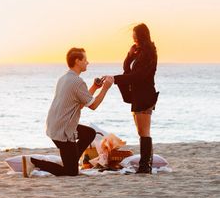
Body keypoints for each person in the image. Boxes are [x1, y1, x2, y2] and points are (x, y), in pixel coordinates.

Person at [23, 47, 113, 177]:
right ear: (77, 61)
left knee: (89, 133)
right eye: (85, 60)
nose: (88, 62)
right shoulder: (77, 82)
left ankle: (72, 159)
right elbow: (93, 106)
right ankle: (33, 162)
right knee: (71, 172)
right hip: (63, 132)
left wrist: (95, 87)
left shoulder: (65, 78)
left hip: (55, 125)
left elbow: (80, 104)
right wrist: (105, 88)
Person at [112, 23, 159, 174]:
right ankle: (145, 165)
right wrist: (129, 56)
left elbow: (137, 76)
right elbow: (128, 71)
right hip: (137, 95)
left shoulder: (149, 52)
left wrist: (115, 79)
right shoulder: (140, 52)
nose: (133, 37)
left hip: (145, 95)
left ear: (141, 35)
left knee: (144, 132)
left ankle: (145, 166)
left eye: (134, 34)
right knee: (141, 132)